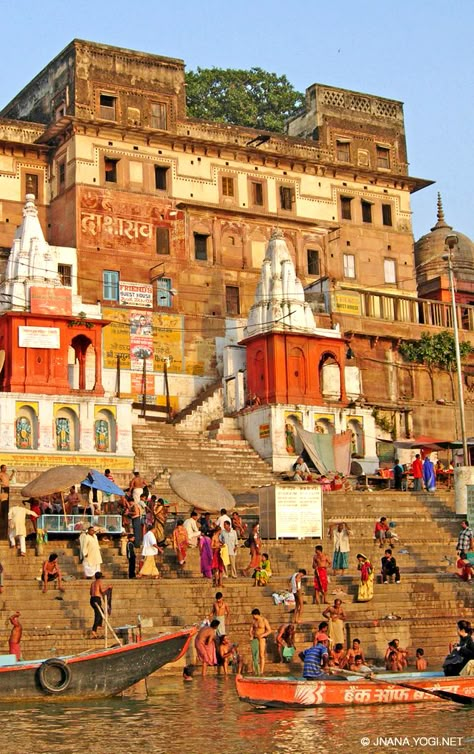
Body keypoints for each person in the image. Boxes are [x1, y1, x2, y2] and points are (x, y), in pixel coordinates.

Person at [249, 608, 271, 676]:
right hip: (255, 638)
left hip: (262, 639)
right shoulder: (254, 621)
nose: (253, 617)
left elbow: (269, 630)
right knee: (255, 655)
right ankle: (255, 670)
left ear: (257, 614)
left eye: (253, 615)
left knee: (261, 655)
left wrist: (262, 635)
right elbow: (250, 630)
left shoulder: (264, 620)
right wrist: (251, 635)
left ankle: (261, 671)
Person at [90, 571, 111, 639]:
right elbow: (102, 591)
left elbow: (90, 592)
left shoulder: (92, 583)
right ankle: (94, 630)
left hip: (92, 599)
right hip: (96, 599)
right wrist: (108, 587)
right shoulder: (99, 582)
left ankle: (99, 625)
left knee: (101, 612)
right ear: (100, 577)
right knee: (98, 614)